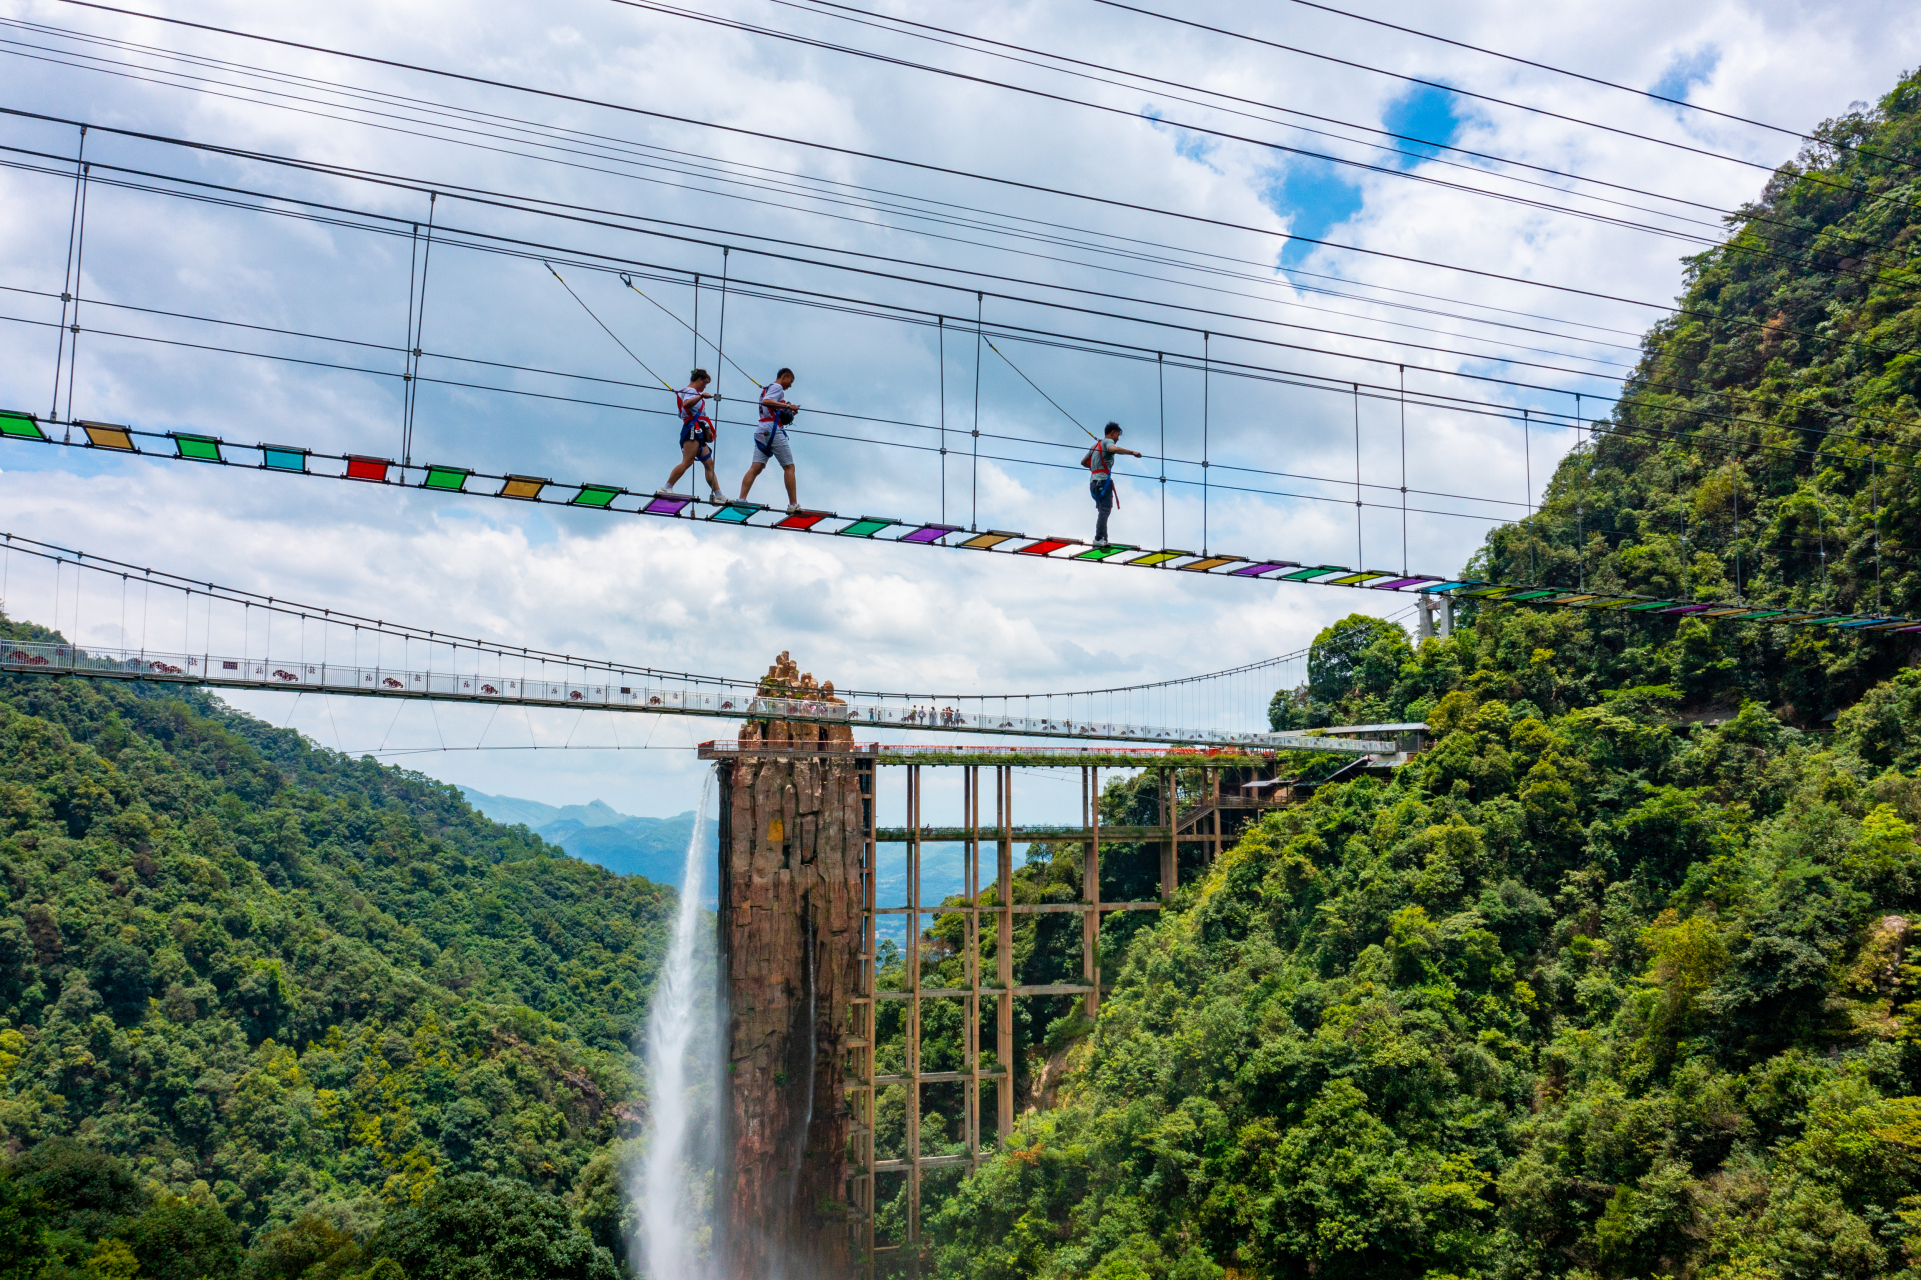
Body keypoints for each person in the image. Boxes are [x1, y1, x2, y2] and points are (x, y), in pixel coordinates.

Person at [740, 368, 801, 511]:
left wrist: (788, 410)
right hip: (771, 429)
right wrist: (787, 405)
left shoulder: (769, 389)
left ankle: (741, 499)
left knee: (756, 467)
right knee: (789, 467)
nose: (790, 385)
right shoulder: (777, 387)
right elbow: (767, 402)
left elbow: (771, 406)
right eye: (790, 381)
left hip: (761, 429)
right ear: (784, 376)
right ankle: (793, 505)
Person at [1082, 422, 1141, 547]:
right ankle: (1098, 539)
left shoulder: (1094, 446)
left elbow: (1083, 462)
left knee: (1103, 511)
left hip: (1093, 483)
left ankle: (1103, 539)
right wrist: (1132, 452)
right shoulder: (1107, 442)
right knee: (1105, 510)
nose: (1117, 439)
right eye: (1118, 435)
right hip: (1103, 482)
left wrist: (1095, 469)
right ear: (1112, 432)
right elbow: (1113, 449)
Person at [666, 369, 722, 500]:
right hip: (693, 428)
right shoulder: (691, 391)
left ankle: (719, 494)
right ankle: (667, 487)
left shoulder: (690, 393)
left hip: (697, 429)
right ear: (700, 380)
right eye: (705, 384)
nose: (704, 387)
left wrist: (707, 428)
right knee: (687, 461)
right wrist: (701, 396)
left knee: (709, 464)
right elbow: (686, 404)